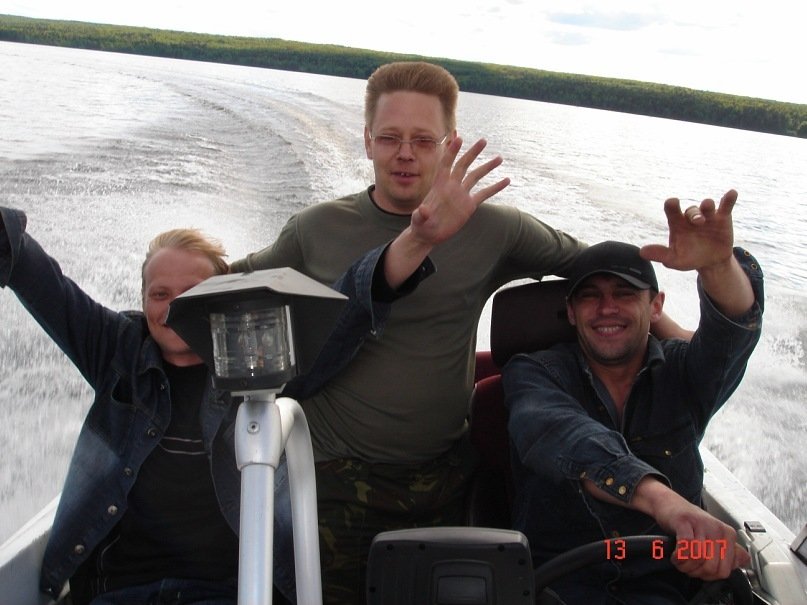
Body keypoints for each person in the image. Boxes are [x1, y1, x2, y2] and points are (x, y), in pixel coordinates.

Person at [230, 60, 598, 603]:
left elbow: (597, 269)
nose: (405, 153)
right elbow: (232, 282)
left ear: (449, 145)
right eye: (390, 138)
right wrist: (169, 284)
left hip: (442, 483)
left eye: (424, 141)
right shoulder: (316, 229)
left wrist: (680, 299)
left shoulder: (494, 229)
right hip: (329, 477)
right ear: (367, 141)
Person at [0, 206, 414, 603]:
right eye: (160, 294)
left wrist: (419, 239)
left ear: (223, 296)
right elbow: (38, 277)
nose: (174, 307)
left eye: (192, 294)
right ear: (143, 300)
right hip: (121, 590)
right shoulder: (117, 350)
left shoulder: (259, 363)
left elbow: (345, 314)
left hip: (225, 593)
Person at [503, 189, 763, 604]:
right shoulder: (535, 372)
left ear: (656, 306)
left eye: (625, 293)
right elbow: (563, 432)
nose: (607, 308)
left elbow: (731, 332)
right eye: (590, 296)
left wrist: (718, 267)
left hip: (669, 589)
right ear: (571, 312)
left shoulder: (684, 374)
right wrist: (665, 503)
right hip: (557, 588)